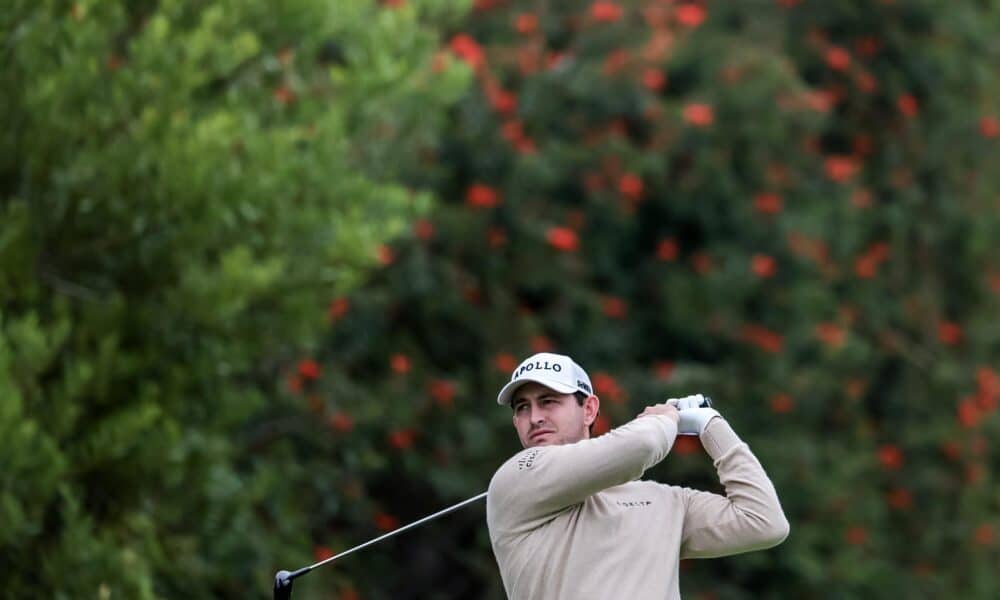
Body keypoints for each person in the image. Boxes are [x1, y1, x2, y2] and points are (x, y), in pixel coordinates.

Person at [486, 352, 789, 600]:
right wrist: (666, 419)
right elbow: (644, 444)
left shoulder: (664, 501)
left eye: (548, 401)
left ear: (589, 409)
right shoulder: (516, 478)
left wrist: (711, 424)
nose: (535, 417)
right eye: (522, 407)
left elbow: (764, 522)